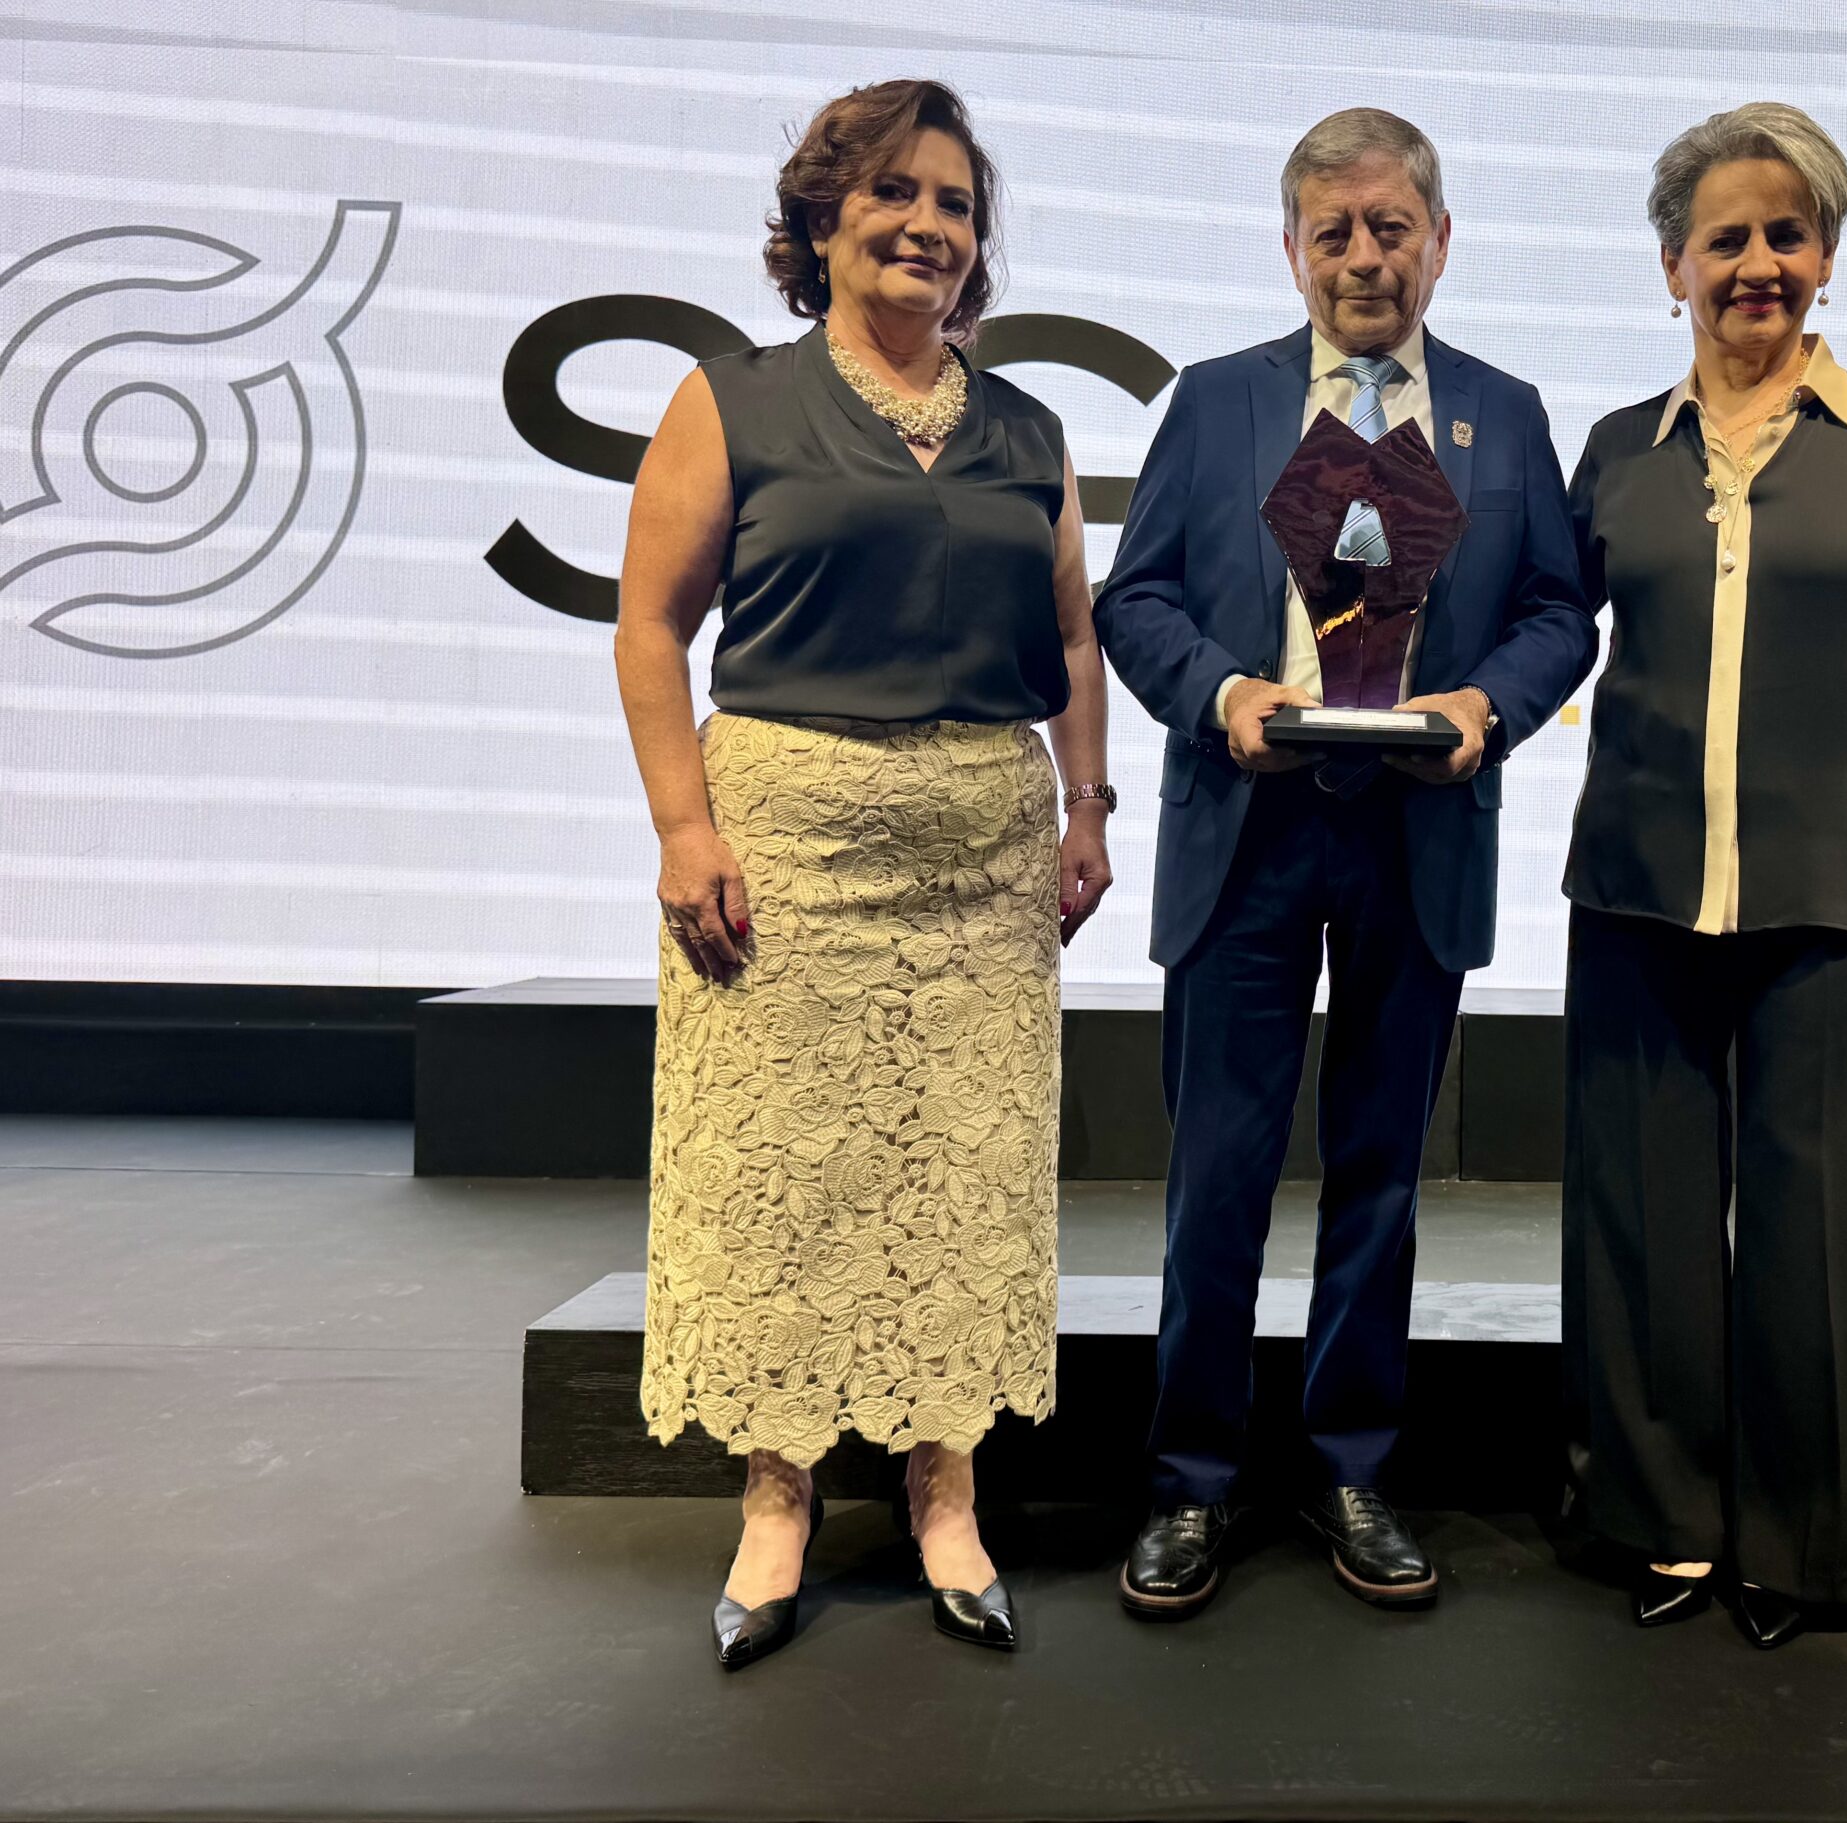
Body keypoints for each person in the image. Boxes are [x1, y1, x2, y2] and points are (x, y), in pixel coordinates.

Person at [615, 78, 1114, 1667]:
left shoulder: (1027, 429)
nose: (927, 226)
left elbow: (1074, 640)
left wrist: (1088, 806)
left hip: (982, 858)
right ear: (822, 219)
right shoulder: (732, 401)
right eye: (895, 193)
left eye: (956, 204)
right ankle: (777, 1501)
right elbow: (651, 628)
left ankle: (945, 1492)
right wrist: (684, 829)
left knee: (958, 1176)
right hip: (787, 844)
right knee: (787, 1175)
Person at [1095, 107, 1597, 1619]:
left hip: (1416, 834)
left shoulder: (1503, 414)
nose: (1364, 257)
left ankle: (1354, 1468)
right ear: (1292, 249)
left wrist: (1486, 706)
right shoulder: (1217, 402)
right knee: (1219, 1177)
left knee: (1379, 1175)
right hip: (1245, 833)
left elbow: (1558, 613)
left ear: (1440, 241)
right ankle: (1192, 1480)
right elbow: (1136, 599)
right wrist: (1220, 693)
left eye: (1391, 228)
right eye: (1335, 232)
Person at [1560, 102, 1847, 1648]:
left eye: (1785, 235)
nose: (1756, 265)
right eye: (1724, 238)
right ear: (1672, 263)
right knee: (1644, 1223)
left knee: (1825, 1242)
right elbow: (1534, 639)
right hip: (1640, 891)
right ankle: (1660, 1522)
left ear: (1827, 256)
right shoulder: (1618, 451)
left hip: (1840, 904)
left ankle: (1811, 1546)